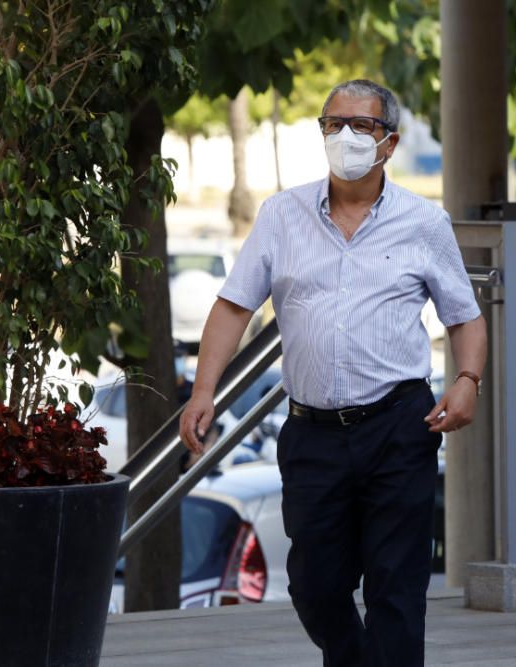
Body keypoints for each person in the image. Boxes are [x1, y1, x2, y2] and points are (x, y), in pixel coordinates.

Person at [179, 79, 487, 667]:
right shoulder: (280, 216)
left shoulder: (424, 223)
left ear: (390, 143)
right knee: (315, 586)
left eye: (362, 126)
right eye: (332, 123)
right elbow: (233, 306)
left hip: (399, 428)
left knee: (396, 590)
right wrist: (203, 391)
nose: (345, 136)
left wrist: (467, 381)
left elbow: (466, 319)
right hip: (313, 434)